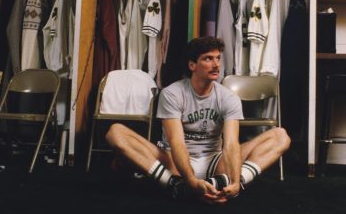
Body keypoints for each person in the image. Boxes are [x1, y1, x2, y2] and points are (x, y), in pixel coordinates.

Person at [105, 37, 290, 204]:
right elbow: (177, 142)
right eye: (208, 59)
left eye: (218, 58)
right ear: (192, 65)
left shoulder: (228, 97)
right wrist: (192, 181)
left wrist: (235, 181)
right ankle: (176, 186)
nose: (216, 64)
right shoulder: (172, 93)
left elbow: (231, 144)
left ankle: (232, 184)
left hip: (215, 161)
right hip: (175, 161)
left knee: (281, 136)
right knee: (116, 132)